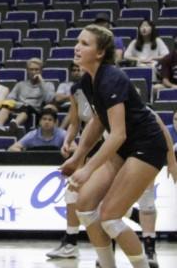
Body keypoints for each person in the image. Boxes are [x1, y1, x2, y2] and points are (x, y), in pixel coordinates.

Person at [61, 24, 177, 268]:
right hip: (125, 148)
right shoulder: (87, 81)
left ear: (100, 52)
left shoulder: (112, 78)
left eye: (84, 43)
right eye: (78, 42)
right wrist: (77, 156)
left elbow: (117, 135)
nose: (77, 47)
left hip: (146, 146)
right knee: (84, 207)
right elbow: (97, 121)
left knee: (110, 218)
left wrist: (88, 168)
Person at [46, 70, 94, 260]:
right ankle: (70, 243)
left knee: (97, 198)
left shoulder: (106, 85)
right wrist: (67, 141)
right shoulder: (76, 90)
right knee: (72, 192)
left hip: (109, 144)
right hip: (90, 144)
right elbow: (75, 122)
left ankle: (72, 243)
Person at [0, 58, 55, 135]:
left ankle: (14, 125)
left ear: (41, 71)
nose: (34, 72)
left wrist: (42, 82)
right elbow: (10, 98)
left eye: (36, 70)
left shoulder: (48, 85)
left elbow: (49, 99)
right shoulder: (20, 85)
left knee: (26, 108)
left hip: (34, 109)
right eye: (31, 69)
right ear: (27, 71)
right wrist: (15, 103)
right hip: (19, 106)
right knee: (6, 104)